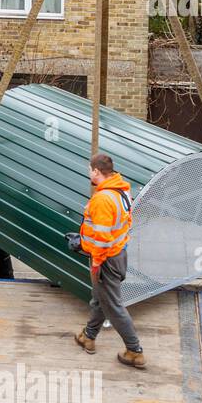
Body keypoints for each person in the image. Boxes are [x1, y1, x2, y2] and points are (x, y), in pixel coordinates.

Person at [72, 152, 145, 368]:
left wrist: (96, 262)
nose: (88, 172)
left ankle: (134, 351)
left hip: (105, 259)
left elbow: (102, 238)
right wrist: (84, 243)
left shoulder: (103, 199)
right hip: (117, 254)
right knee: (100, 298)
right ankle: (88, 336)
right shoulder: (121, 190)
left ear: (96, 171)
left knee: (113, 306)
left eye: (89, 169)